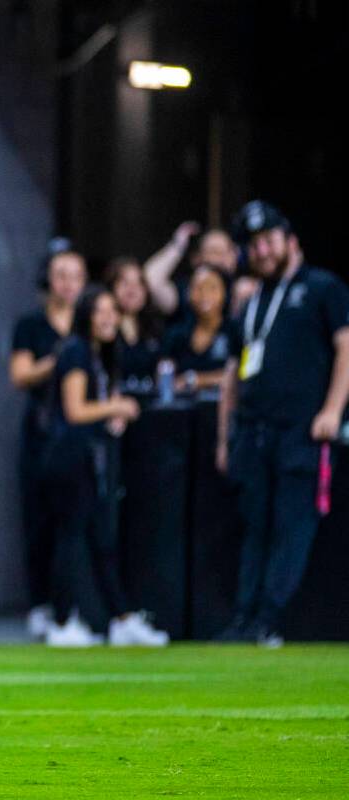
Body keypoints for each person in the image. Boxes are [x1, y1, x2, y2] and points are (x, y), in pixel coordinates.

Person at [216, 201, 349, 647]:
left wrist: (332, 410)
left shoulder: (322, 288)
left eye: (269, 240)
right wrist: (225, 436)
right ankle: (244, 618)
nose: (262, 250)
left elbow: (347, 348)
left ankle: (269, 620)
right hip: (253, 431)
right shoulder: (252, 301)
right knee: (254, 527)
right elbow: (233, 373)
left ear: (291, 241)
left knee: (291, 526)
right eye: (254, 244)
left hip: (302, 431)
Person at [40, 286, 170, 648]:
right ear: (86, 315)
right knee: (71, 538)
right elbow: (75, 410)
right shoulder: (77, 351)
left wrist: (111, 416)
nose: (108, 317)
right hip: (68, 459)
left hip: (87, 457)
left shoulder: (101, 354)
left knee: (101, 538)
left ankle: (121, 618)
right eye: (100, 311)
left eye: (112, 310)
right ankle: (62, 621)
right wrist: (115, 408)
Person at [8, 248, 86, 639]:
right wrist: (61, 361)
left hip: (81, 434)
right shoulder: (32, 324)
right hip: (43, 431)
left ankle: (72, 606)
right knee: (39, 522)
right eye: (60, 275)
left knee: (76, 524)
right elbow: (19, 374)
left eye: (75, 275)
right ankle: (41, 603)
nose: (67, 283)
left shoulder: (91, 321)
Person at [144, 222, 256, 320]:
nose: (222, 257)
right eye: (214, 251)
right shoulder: (186, 291)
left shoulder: (245, 289)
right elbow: (150, 280)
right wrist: (177, 246)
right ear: (197, 259)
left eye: (227, 250)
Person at [160, 264, 236, 396]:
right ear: (188, 293)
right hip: (181, 409)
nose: (204, 294)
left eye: (212, 288)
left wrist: (196, 379)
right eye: (198, 288)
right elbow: (164, 375)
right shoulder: (175, 334)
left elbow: (241, 376)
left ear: (225, 293)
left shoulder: (234, 331)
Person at [105, 257, 160, 390]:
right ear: (112, 287)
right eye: (125, 283)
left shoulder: (153, 326)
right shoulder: (103, 326)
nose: (132, 290)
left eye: (139, 284)